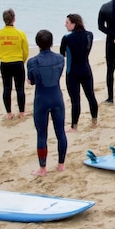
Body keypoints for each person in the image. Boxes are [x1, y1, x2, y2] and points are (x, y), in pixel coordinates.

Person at [27, 29, 68, 176]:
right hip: (57, 96)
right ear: (51, 42)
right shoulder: (59, 58)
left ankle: (43, 168)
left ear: (38, 43)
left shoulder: (32, 62)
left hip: (42, 99)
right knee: (60, 132)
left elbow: (31, 81)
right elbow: (58, 74)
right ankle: (61, 164)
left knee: (42, 134)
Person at [59, 13, 98, 131]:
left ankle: (74, 127)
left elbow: (63, 54)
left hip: (73, 72)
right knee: (91, 96)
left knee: (75, 100)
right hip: (86, 69)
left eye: (67, 22)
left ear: (74, 24)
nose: (65, 25)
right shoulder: (90, 35)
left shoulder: (67, 38)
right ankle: (94, 121)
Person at [0, 8, 28, 120]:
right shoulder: (20, 33)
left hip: (5, 63)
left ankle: (9, 113)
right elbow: (25, 50)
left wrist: (4, 57)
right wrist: (22, 60)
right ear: (14, 19)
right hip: (18, 62)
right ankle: (22, 112)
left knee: (7, 88)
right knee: (20, 88)